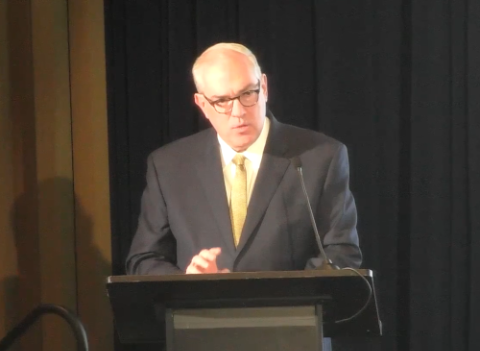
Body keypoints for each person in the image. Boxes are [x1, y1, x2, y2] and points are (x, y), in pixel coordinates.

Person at [126, 42, 361, 275]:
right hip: (200, 311)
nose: (238, 112)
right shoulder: (169, 166)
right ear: (202, 104)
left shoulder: (320, 157)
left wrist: (279, 297)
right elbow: (145, 259)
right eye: (222, 101)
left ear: (265, 88)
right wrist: (188, 285)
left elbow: (340, 253)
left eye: (248, 93)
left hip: (288, 311)